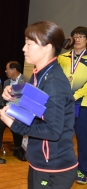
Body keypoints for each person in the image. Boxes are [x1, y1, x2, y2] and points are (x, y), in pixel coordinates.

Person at [0, 21, 78, 189]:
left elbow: (53, 131)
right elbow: (39, 102)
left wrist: (14, 125)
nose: (23, 48)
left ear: (47, 47)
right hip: (41, 161)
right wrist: (15, 92)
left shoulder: (54, 83)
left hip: (54, 169)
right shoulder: (41, 74)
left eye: (29, 44)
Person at [58, 26, 87, 184]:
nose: (78, 39)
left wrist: (75, 95)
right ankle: (64, 166)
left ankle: (83, 170)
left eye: (82, 36)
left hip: (83, 104)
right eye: (75, 36)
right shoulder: (63, 57)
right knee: (62, 137)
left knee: (83, 140)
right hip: (64, 104)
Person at [0, 61, 28, 164]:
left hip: (21, 111)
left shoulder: (27, 81)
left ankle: (18, 148)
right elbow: (2, 100)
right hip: (5, 110)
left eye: (7, 69)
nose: (5, 71)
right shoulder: (6, 82)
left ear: (14, 70)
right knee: (1, 122)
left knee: (18, 121)